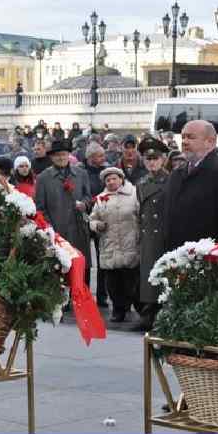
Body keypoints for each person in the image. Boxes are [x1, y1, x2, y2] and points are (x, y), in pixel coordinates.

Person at [163, 120, 218, 252]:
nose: (184, 141)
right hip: (176, 257)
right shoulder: (176, 175)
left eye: (191, 137)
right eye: (183, 137)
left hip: (207, 260)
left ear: (210, 142)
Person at [35, 138, 92, 286]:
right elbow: (40, 207)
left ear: (69, 155)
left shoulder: (81, 174)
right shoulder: (43, 178)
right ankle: (63, 302)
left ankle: (82, 299)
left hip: (79, 228)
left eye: (64, 154)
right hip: (57, 231)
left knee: (81, 264)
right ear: (52, 157)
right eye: (57, 155)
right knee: (61, 265)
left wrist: (84, 204)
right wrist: (51, 229)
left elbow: (88, 196)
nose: (61, 158)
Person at [89, 167, 140, 323]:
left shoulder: (134, 194)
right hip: (109, 245)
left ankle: (138, 309)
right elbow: (92, 219)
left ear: (121, 179)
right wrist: (97, 225)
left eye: (114, 178)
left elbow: (140, 214)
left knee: (131, 281)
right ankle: (118, 310)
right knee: (113, 283)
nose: (111, 182)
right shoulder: (100, 198)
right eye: (108, 180)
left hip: (130, 244)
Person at [136, 137, 171, 330]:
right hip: (148, 234)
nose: (151, 162)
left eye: (155, 158)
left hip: (163, 235)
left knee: (163, 275)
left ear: (163, 159)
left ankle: (160, 316)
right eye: (148, 159)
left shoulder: (171, 180)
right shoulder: (142, 182)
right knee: (148, 274)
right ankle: (148, 314)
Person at [84, 142, 109, 308]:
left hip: (102, 219)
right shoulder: (81, 172)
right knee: (85, 259)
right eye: (100, 156)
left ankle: (102, 295)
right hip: (85, 219)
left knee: (103, 259)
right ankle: (84, 294)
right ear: (91, 158)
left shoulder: (106, 172)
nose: (104, 158)